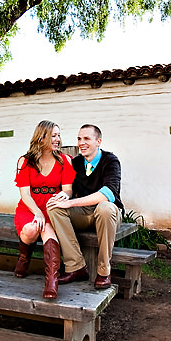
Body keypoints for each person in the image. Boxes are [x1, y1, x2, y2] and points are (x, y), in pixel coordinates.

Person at [46, 124, 123, 290]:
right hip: (85, 213)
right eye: (79, 139)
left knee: (104, 207)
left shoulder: (110, 160)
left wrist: (71, 202)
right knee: (54, 207)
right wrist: (63, 196)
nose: (82, 143)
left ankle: (104, 271)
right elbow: (69, 189)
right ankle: (76, 266)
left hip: (108, 213)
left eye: (87, 138)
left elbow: (108, 194)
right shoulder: (76, 163)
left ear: (98, 141)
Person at [13, 120, 75, 299]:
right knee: (32, 229)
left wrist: (65, 195)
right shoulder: (25, 161)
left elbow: (68, 189)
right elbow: (25, 194)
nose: (58, 139)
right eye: (53, 135)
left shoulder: (65, 160)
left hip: (53, 207)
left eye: (58, 135)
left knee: (47, 230)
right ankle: (24, 259)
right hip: (30, 207)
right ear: (42, 138)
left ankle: (52, 281)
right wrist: (37, 212)